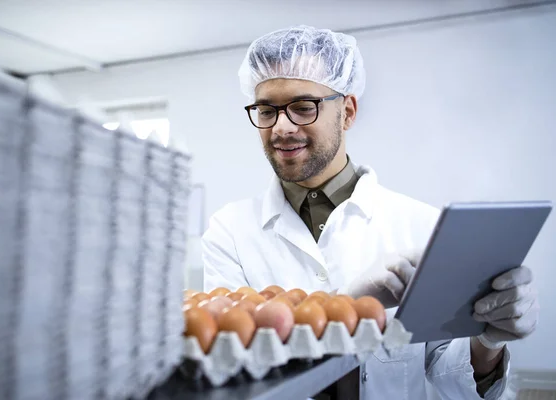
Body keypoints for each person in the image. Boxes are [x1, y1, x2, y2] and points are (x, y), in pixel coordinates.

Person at [201, 25, 539, 399]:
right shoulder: (229, 232)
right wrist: (344, 307)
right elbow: (231, 371)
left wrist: (488, 344)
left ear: (347, 112)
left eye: (301, 107)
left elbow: (446, 374)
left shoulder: (422, 226)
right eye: (266, 110)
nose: (281, 128)